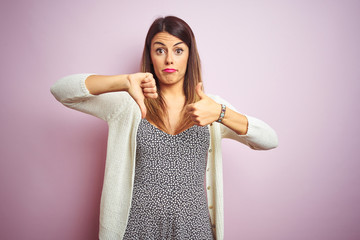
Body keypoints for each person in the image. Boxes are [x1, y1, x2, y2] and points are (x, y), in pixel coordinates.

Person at [50, 16, 278, 240]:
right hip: (137, 231)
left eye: (178, 50)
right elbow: (62, 90)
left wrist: (221, 113)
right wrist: (123, 81)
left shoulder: (210, 107)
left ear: (190, 55)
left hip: (195, 231)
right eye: (160, 50)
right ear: (150, 55)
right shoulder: (129, 103)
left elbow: (269, 140)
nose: (169, 59)